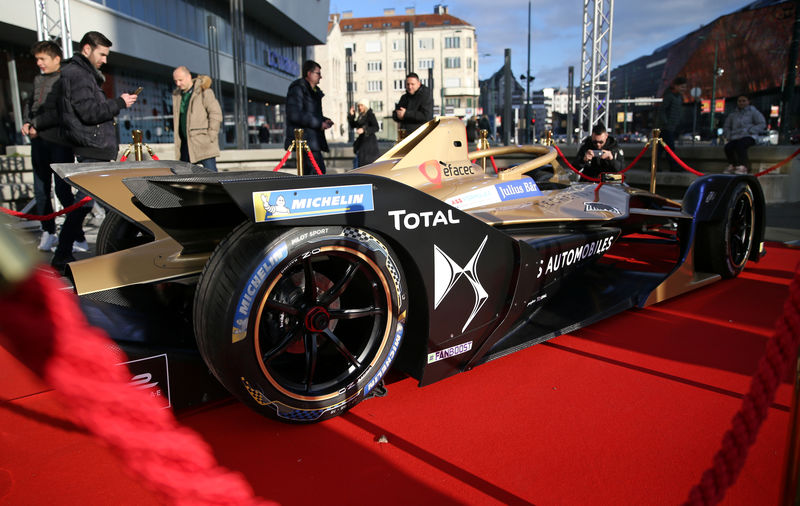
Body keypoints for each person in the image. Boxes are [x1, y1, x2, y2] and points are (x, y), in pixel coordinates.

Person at [55, 31, 138, 273]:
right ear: (87, 49)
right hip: (92, 147)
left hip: (94, 146)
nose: (105, 59)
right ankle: (65, 254)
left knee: (92, 204)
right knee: (91, 204)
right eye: (102, 54)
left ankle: (66, 254)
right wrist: (120, 102)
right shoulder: (78, 74)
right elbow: (90, 113)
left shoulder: (82, 74)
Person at [21, 40, 75, 252]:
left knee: (63, 191)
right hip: (38, 143)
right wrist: (27, 122)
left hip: (59, 143)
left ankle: (75, 234)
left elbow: (62, 111)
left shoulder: (65, 79)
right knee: (41, 190)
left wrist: (36, 124)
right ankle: (48, 231)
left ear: (56, 59)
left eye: (42, 59)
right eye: (37, 59)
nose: (39, 63)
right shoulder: (37, 79)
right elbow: (30, 105)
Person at [284, 60, 333, 175]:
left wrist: (324, 120)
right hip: (306, 141)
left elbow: (311, 113)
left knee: (319, 172)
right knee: (314, 174)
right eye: (318, 73)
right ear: (309, 73)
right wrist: (319, 123)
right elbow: (295, 114)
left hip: (313, 141)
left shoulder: (313, 91)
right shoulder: (298, 89)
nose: (321, 77)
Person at [172, 66, 222, 171]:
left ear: (189, 76)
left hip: (204, 142)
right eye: (175, 81)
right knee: (185, 178)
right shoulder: (177, 95)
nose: (178, 84)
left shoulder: (204, 92)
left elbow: (216, 113)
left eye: (180, 80)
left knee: (212, 176)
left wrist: (211, 136)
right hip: (185, 144)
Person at [723, 95, 766, 174]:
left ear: (748, 102)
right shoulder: (733, 114)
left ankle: (743, 166)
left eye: (744, 101)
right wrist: (728, 135)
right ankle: (733, 165)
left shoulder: (754, 112)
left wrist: (751, 130)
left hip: (749, 136)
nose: (741, 103)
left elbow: (762, 123)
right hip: (735, 137)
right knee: (728, 147)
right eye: (739, 101)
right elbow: (727, 126)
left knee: (741, 146)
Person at [658, 76, 687, 172]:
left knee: (661, 148)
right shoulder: (669, 97)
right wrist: (665, 123)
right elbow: (662, 110)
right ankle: (673, 166)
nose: (684, 89)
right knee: (669, 147)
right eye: (682, 87)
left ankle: (655, 165)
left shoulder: (679, 97)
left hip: (671, 126)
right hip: (666, 127)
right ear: (676, 86)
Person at [392, 73, 433, 137]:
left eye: (412, 84)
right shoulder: (404, 97)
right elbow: (396, 113)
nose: (410, 87)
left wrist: (406, 114)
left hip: (420, 135)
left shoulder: (425, 96)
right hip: (404, 135)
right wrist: (398, 115)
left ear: (418, 84)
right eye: (408, 84)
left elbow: (426, 116)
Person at [348, 98, 380, 167]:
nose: (359, 107)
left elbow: (376, 127)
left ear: (365, 106)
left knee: (366, 165)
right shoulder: (361, 116)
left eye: (361, 105)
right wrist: (351, 116)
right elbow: (353, 125)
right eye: (358, 106)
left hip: (369, 145)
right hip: (362, 144)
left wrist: (364, 130)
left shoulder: (370, 114)